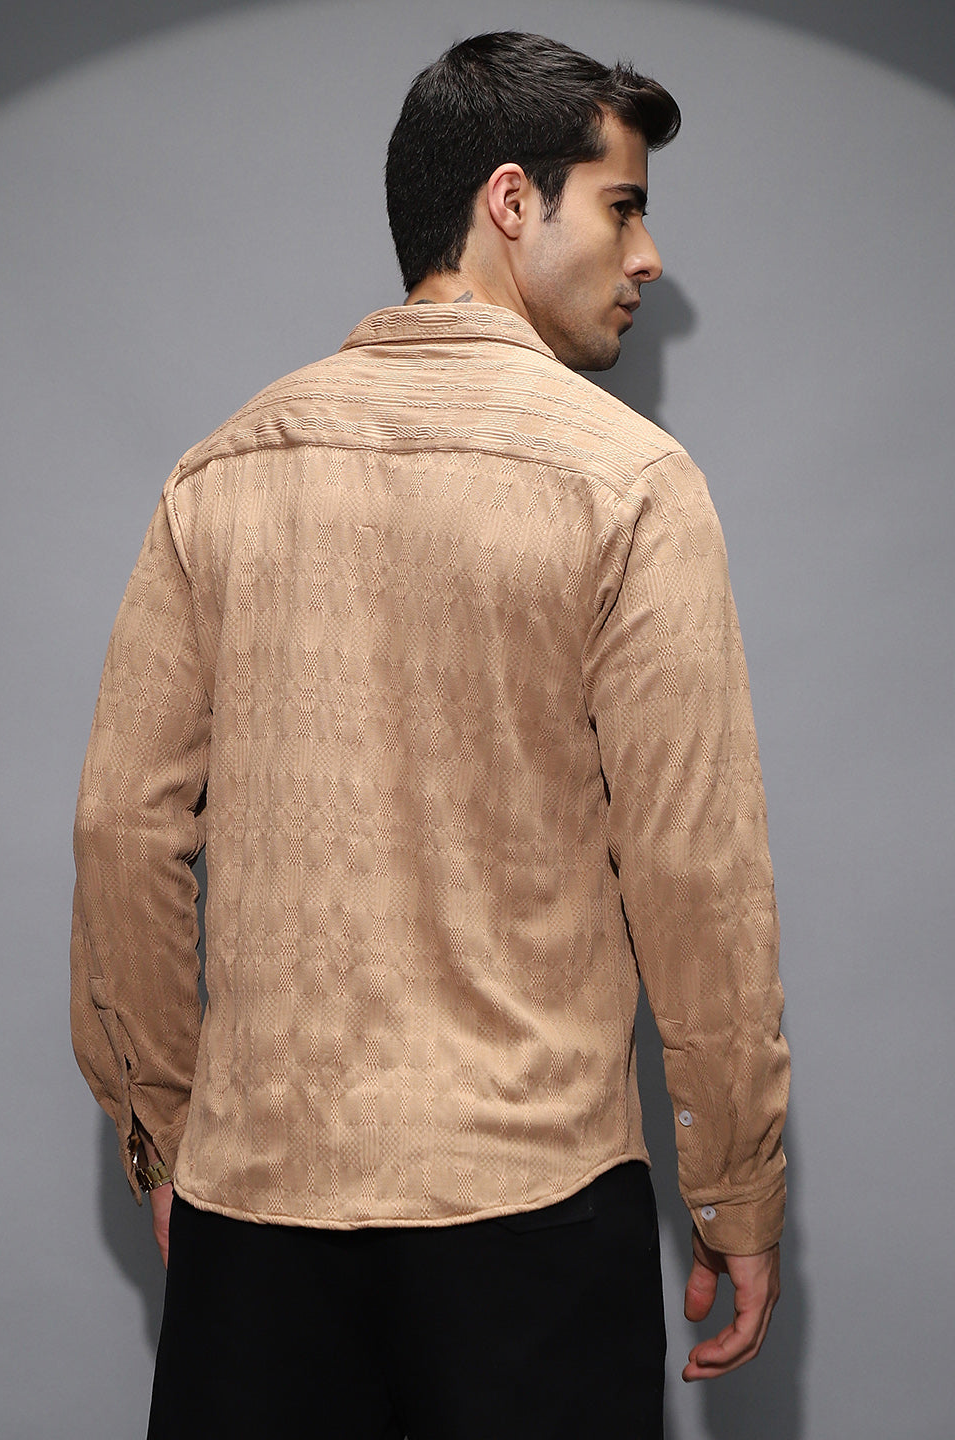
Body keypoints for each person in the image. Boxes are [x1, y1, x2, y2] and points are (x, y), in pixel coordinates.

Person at [71, 30, 789, 1439]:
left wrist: (172, 1136)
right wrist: (736, 1190)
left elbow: (120, 830)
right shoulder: (631, 484)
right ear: (510, 201)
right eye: (624, 207)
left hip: (258, 1210)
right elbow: (695, 873)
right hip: (532, 1217)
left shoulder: (223, 470)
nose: (648, 258)